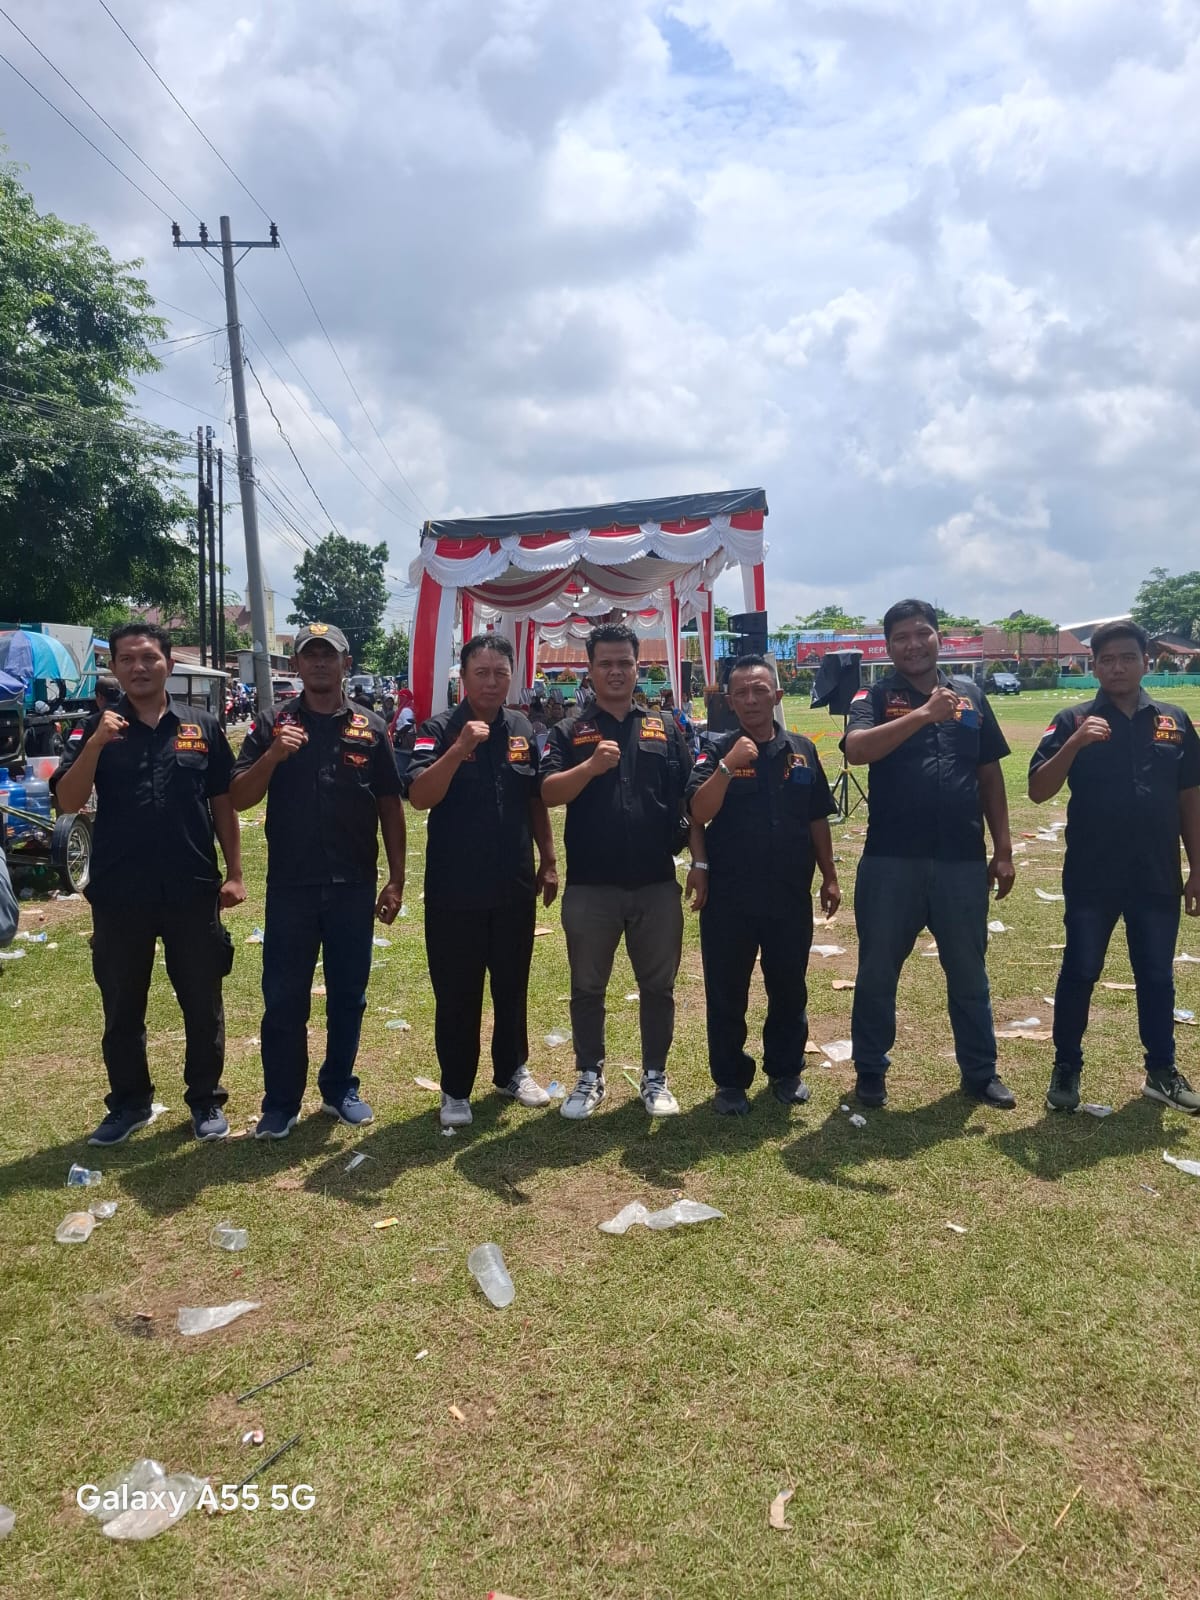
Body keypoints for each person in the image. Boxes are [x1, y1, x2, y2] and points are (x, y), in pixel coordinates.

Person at [51, 622, 245, 1145]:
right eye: (127, 659)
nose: (139, 667)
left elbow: (222, 803)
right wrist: (96, 744)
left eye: (149, 658)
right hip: (120, 893)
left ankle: (205, 1099)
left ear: (169, 665)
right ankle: (129, 1103)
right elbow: (68, 802)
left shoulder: (202, 726)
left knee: (202, 1001)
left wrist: (235, 874)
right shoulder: (93, 729)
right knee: (122, 1005)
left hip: (191, 887)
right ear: (114, 668)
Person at [230, 622, 406, 1138]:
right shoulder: (271, 723)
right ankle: (281, 1102)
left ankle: (339, 1088)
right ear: (297, 665)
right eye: (311, 655)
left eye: (329, 655)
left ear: (346, 664)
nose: (320, 663)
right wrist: (273, 755)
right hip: (292, 886)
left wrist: (396, 879)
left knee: (349, 995)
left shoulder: (371, 726)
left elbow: (390, 805)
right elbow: (239, 797)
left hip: (353, 884)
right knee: (285, 998)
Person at [844, 599, 1016, 1110]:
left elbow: (989, 774)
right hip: (891, 860)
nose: (913, 645)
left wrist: (1003, 849)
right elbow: (856, 750)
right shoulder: (874, 695)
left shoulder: (971, 696)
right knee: (878, 971)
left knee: (969, 972)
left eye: (922, 633)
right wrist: (923, 715)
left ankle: (980, 1072)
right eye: (901, 637)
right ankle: (870, 1069)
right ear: (888, 646)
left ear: (939, 638)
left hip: (962, 860)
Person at [1030, 620, 1200, 1113]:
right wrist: (1075, 743)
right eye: (1107, 660)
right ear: (1094, 667)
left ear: (1147, 661)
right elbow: (1038, 790)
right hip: (1092, 874)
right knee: (1080, 970)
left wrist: (1197, 867)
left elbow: (1190, 796)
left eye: (1127, 658)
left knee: (1157, 975)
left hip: (1156, 874)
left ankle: (1162, 1070)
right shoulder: (1072, 719)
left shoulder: (1173, 721)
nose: (1117, 668)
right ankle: (1066, 1067)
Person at [540, 622, 702, 1119]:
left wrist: (699, 861)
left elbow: (691, 801)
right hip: (592, 885)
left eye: (625, 663)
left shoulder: (665, 727)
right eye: (605, 663)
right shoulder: (568, 732)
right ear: (589, 671)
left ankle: (655, 1076)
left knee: (658, 987)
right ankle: (589, 1075)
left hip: (656, 881)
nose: (616, 671)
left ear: (638, 669)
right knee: (588, 987)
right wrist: (589, 767)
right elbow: (547, 793)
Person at [403, 634, 558, 1127]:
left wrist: (549, 858)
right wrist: (459, 749)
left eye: (500, 673)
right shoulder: (436, 729)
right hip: (455, 890)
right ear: (463, 678)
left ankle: (512, 1070)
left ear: (511, 677)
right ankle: (455, 1089)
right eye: (481, 673)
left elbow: (534, 797)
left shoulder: (521, 727)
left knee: (512, 985)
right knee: (458, 992)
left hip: (513, 884)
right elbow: (420, 796)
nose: (491, 682)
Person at [687, 655, 840, 1114]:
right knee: (727, 991)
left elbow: (817, 816)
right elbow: (697, 812)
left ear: (777, 695)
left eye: (759, 690)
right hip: (730, 896)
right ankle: (730, 1080)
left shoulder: (802, 750)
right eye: (741, 693)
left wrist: (830, 876)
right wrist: (728, 766)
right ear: (729, 702)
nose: (751, 699)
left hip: (788, 893)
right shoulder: (715, 749)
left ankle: (786, 1070)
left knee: (789, 987)